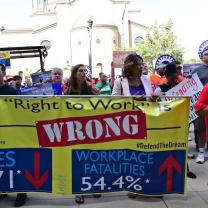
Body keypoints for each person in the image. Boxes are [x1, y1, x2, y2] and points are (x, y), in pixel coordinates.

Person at [65, 64, 99, 203]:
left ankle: (93, 187)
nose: (83, 72)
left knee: (91, 158)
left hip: (90, 128)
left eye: (84, 70)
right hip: (74, 130)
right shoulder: (68, 91)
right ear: (74, 74)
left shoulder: (91, 89)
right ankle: (79, 190)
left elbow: (98, 106)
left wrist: (99, 95)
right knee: (78, 160)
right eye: (80, 70)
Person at [155, 63, 196, 179]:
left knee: (181, 145)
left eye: (176, 77)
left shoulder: (181, 87)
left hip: (180, 121)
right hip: (166, 123)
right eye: (172, 78)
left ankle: (185, 170)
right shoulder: (160, 89)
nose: (174, 80)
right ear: (166, 76)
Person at [0, 63, 27, 207]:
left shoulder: (12, 91)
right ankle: (3, 189)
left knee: (16, 162)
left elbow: (20, 112)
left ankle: (21, 193)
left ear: (3, 73)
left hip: (12, 133)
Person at [192, 40, 208, 164]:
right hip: (202, 105)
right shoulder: (196, 70)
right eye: (206, 53)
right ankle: (201, 152)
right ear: (202, 56)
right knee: (201, 129)